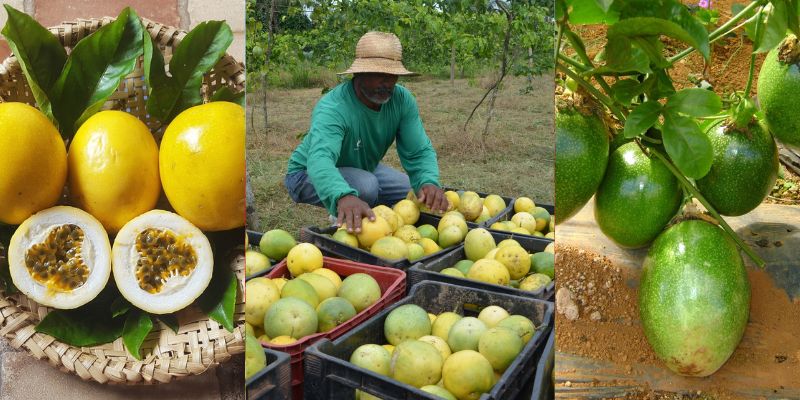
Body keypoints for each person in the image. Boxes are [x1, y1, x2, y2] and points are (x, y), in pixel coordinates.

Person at [284, 31, 448, 233]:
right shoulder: (334, 108)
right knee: (366, 186)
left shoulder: (402, 100)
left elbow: (419, 150)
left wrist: (428, 181)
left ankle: (372, 218)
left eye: (392, 75)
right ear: (359, 73)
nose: (387, 83)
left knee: (411, 192)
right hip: (305, 174)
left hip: (360, 167)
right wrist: (342, 195)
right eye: (379, 74)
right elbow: (320, 159)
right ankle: (342, 219)